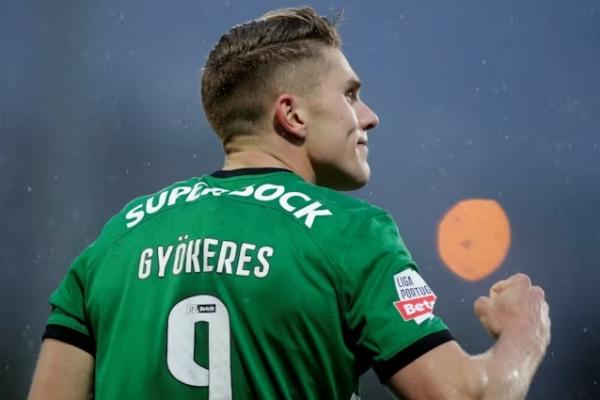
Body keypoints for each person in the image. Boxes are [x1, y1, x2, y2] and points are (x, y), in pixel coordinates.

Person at [28, 6, 550, 400]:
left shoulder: (115, 241)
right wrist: (523, 334)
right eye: (350, 95)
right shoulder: (350, 233)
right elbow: (465, 395)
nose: (368, 117)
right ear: (293, 116)